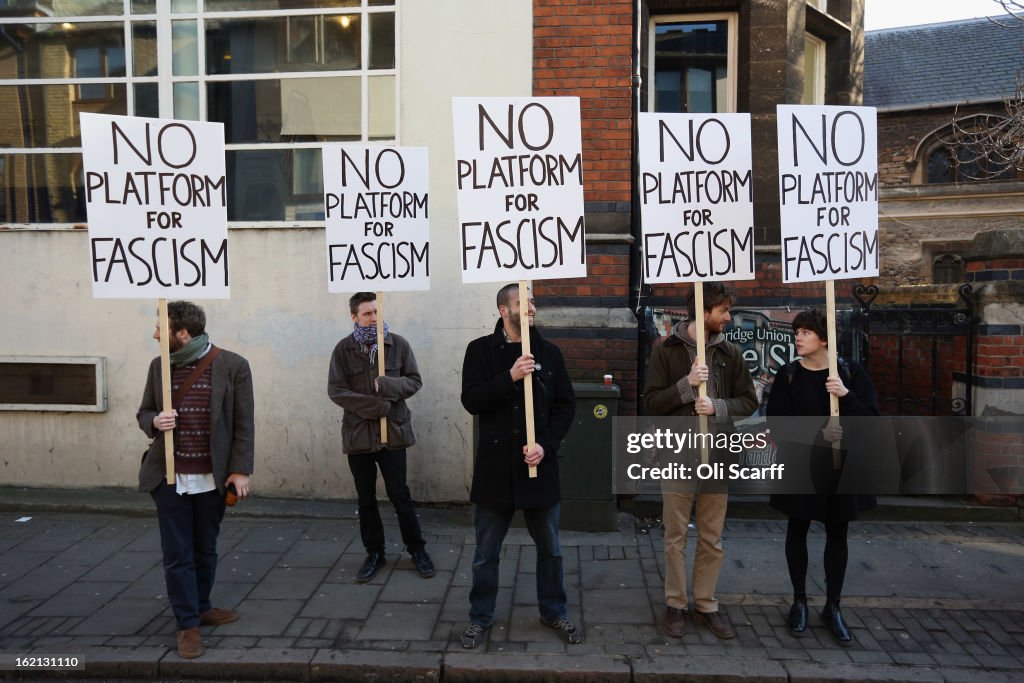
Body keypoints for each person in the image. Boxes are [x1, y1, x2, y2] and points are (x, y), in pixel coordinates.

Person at [459, 283, 580, 649]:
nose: (530, 308)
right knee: (485, 554)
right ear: (502, 310)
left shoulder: (549, 353)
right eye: (521, 303)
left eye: (531, 302)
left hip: (538, 468)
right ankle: (480, 617)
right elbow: (472, 400)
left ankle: (553, 610)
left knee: (551, 549)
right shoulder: (480, 351)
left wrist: (546, 445)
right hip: (496, 470)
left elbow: (565, 405)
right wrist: (509, 377)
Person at [137, 301, 254, 660]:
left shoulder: (232, 365)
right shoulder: (159, 365)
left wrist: (240, 469)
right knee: (177, 554)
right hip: (169, 477)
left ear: (182, 333)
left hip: (212, 478)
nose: (154, 333)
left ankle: (201, 606)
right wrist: (155, 422)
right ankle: (187, 624)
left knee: (205, 547)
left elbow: (244, 422)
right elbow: (144, 411)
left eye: (161, 328)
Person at [641, 283, 757, 640]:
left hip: (717, 456)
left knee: (712, 536)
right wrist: (687, 386)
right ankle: (675, 605)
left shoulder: (730, 352)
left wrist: (719, 406)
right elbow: (651, 402)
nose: (728, 317)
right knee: (675, 536)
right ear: (703, 312)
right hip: (676, 454)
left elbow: (749, 401)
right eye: (722, 311)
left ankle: (706, 604)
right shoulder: (667, 350)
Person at [766, 309, 879, 647]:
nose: (798, 336)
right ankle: (799, 600)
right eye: (797, 331)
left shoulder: (849, 373)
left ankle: (833, 605)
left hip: (840, 467)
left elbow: (871, 419)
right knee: (797, 527)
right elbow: (777, 423)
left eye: (806, 332)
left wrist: (846, 396)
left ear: (824, 338)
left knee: (837, 531)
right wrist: (819, 435)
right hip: (802, 464)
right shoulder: (788, 375)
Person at [328, 292, 434, 583]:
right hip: (359, 436)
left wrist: (388, 385)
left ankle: (417, 550)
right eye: (366, 314)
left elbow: (414, 381)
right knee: (366, 498)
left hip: (394, 433)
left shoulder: (397, 345)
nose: (373, 318)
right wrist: (376, 407)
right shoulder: (343, 349)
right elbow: (336, 390)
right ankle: (374, 552)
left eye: (376, 312)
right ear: (354, 317)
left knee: (400, 495)